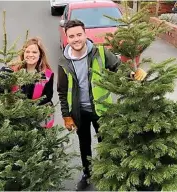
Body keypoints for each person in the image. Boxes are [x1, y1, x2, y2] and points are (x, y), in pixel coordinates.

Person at [57, 19, 147, 190]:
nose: (76, 39)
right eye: (72, 36)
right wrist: (66, 115)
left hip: (102, 109)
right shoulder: (64, 61)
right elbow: (62, 91)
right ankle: (87, 174)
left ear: (85, 35)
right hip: (79, 111)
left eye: (79, 35)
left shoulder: (100, 53)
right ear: (67, 38)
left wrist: (134, 73)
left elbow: (118, 67)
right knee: (84, 144)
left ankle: (110, 173)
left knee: (106, 143)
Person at [0, 37, 54, 128]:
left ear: (40, 55)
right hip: (15, 117)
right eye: (27, 52)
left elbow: (47, 98)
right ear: (23, 53)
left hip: (38, 119)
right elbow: (0, 94)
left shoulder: (47, 74)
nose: (30, 55)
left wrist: (30, 109)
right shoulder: (12, 70)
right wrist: (1, 80)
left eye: (34, 52)